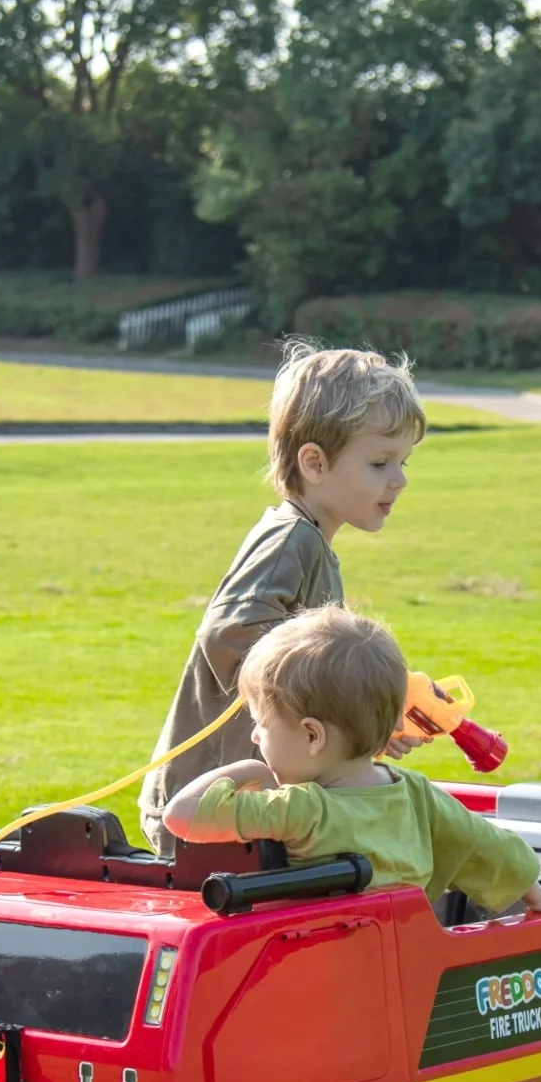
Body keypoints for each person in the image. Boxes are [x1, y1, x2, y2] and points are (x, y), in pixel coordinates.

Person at [137, 342, 425, 853]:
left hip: (255, 809)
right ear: (314, 463)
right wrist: (334, 692)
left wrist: (363, 716)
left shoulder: (312, 543)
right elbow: (229, 633)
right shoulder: (290, 540)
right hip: (213, 803)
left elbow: (317, 672)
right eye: (380, 463)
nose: (399, 480)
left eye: (402, 462)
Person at [162, 607, 541, 933]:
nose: (256, 736)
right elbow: (486, 845)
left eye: (261, 724)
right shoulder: (416, 795)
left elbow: (181, 816)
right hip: (403, 962)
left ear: (313, 736)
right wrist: (540, 895)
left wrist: (245, 768)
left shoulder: (303, 810)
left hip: (317, 969)